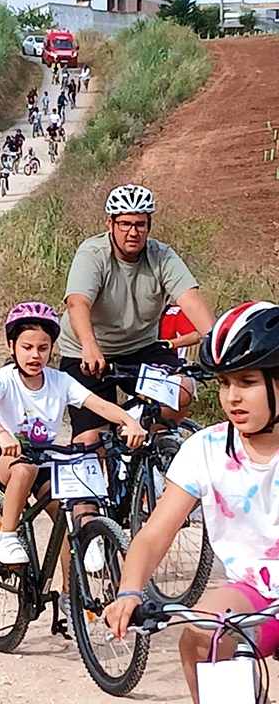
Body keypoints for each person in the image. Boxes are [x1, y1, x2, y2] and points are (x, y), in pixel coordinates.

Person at [105, 301, 279, 702]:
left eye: (247, 381)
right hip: (252, 590)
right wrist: (130, 590)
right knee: (203, 635)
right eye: (224, 383)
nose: (233, 397)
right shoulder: (206, 448)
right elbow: (153, 535)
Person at [0, 303, 145, 615]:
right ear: (12, 347)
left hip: (45, 461)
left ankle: (70, 594)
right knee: (24, 468)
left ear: (52, 349)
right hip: (6, 457)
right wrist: (1, 434)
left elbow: (98, 404)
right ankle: (6, 537)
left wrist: (128, 421)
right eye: (27, 347)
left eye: (43, 348)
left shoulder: (59, 380)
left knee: (69, 519)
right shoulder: (4, 379)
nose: (34, 355)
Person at [58, 184, 215, 449]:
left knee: (182, 390)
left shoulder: (161, 256)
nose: (133, 232)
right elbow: (78, 302)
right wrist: (89, 345)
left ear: (148, 226)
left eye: (140, 224)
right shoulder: (93, 254)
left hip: (140, 349)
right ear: (110, 224)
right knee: (91, 440)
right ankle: (111, 438)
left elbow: (191, 300)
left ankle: (143, 445)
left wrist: (219, 348)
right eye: (125, 224)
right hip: (87, 353)